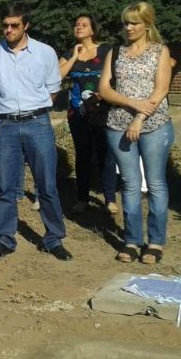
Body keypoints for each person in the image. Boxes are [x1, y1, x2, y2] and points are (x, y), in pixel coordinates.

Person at [0, 3, 72, 261]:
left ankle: (53, 239)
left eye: (14, 25)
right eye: (5, 25)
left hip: (37, 123)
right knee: (5, 186)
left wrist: (32, 108)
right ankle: (5, 239)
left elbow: (52, 89)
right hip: (4, 125)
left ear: (26, 25)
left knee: (47, 185)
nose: (8, 30)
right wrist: (5, 107)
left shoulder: (44, 53)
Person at [99, 1, 173, 265]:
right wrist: (132, 104)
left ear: (147, 24)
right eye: (125, 23)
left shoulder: (159, 51)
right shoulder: (115, 52)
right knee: (129, 185)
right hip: (118, 124)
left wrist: (140, 117)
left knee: (155, 184)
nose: (128, 27)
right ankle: (132, 240)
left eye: (134, 23)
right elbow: (105, 90)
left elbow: (161, 88)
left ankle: (155, 241)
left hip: (154, 125)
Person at [58, 14, 118, 214]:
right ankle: (82, 198)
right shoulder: (68, 53)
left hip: (104, 111)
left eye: (84, 24)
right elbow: (57, 76)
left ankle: (110, 198)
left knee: (105, 154)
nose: (79, 27)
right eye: (76, 24)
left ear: (93, 30)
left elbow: (117, 77)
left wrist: (104, 94)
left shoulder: (107, 50)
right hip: (78, 113)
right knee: (83, 154)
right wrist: (75, 56)